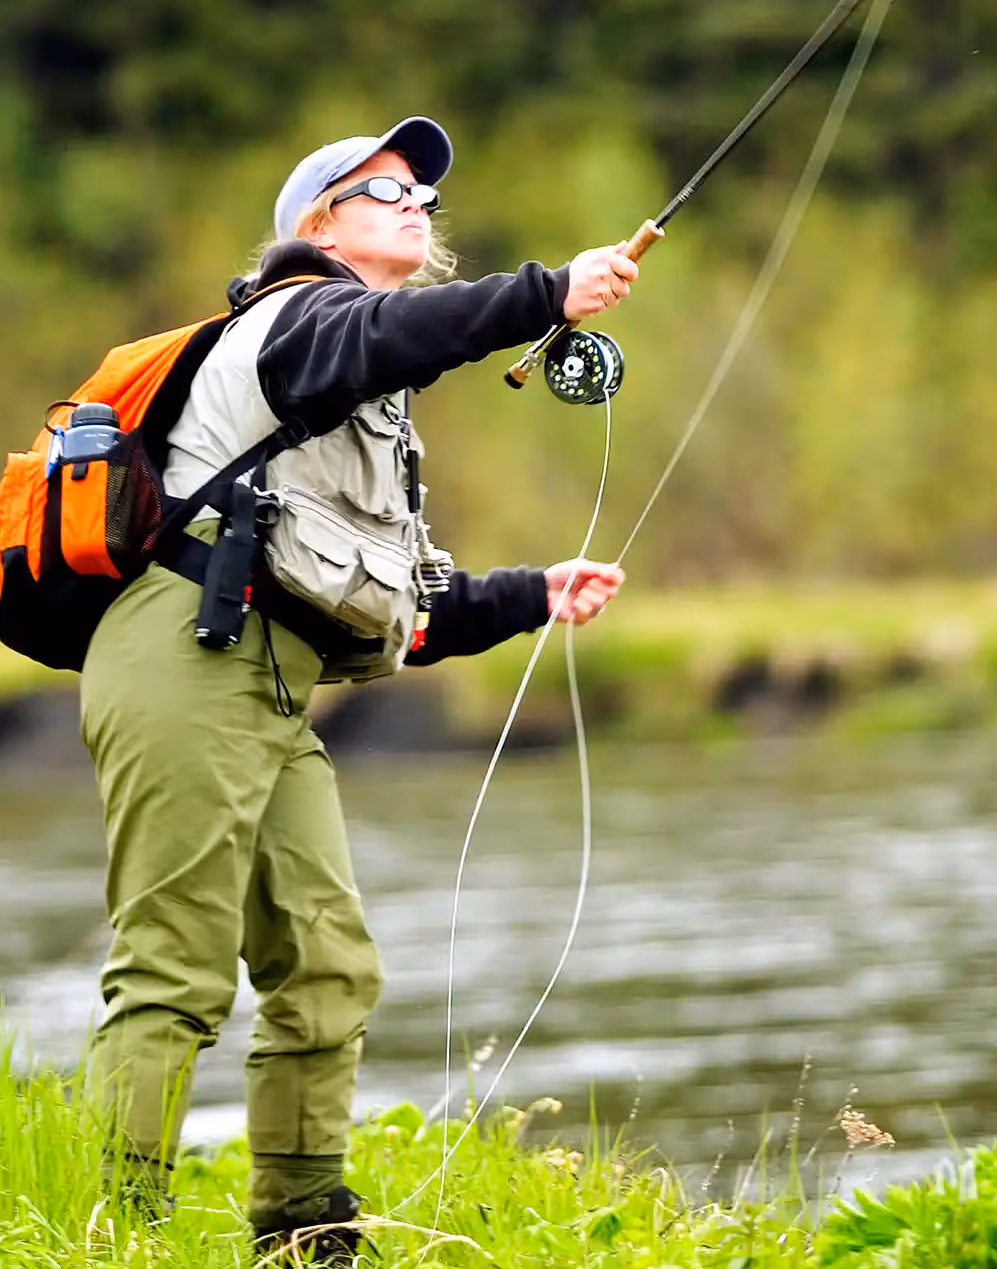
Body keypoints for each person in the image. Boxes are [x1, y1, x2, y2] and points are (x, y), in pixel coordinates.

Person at [77, 115, 633, 1260]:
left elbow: (404, 614)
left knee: (329, 970)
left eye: (426, 195)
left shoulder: (362, 405)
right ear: (318, 224)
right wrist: (547, 294)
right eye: (388, 192)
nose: (417, 206)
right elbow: (392, 334)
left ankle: (305, 1240)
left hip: (265, 685)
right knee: (174, 970)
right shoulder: (295, 324)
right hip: (184, 655)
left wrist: (534, 594)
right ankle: (103, 1235)